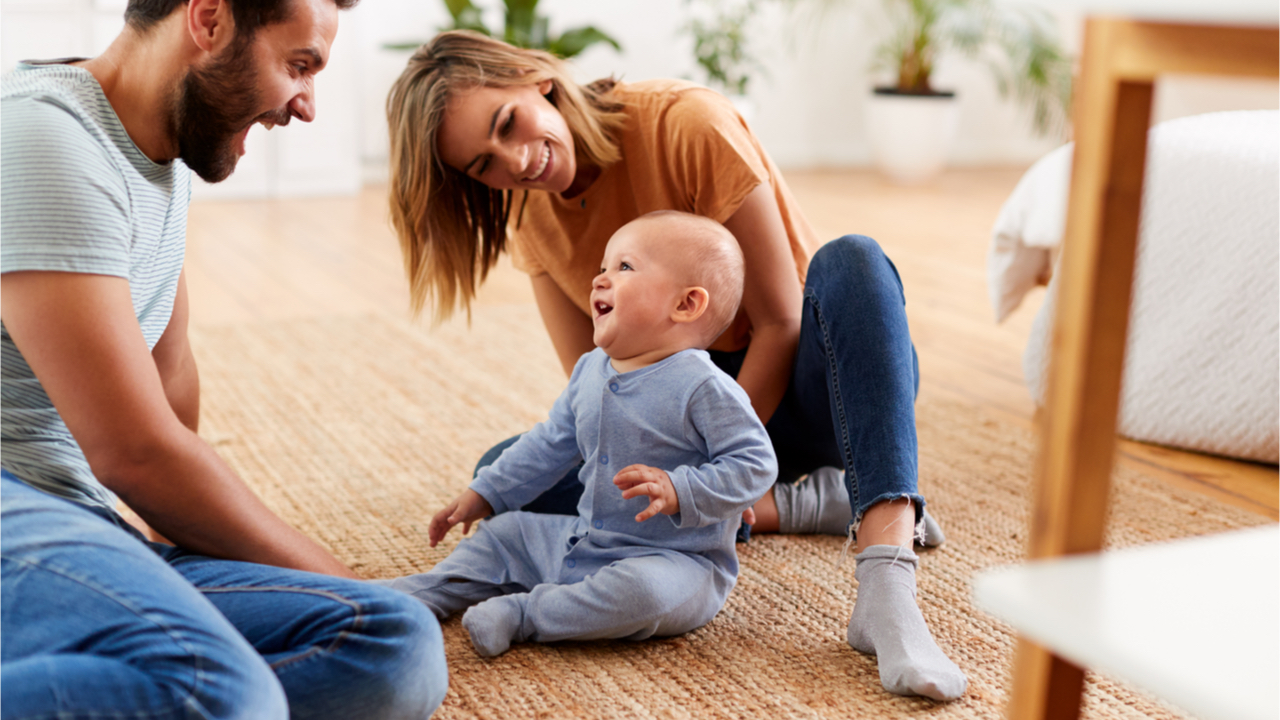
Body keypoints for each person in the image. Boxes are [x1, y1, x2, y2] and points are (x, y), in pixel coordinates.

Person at [385, 29, 967, 702]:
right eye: (483, 165)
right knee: (506, 470)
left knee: (856, 259)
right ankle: (808, 502)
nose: (515, 163)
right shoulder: (530, 216)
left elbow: (780, 320)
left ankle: (885, 579)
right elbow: (596, 386)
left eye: (507, 124)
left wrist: (712, 466)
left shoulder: (685, 122)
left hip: (817, 388)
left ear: (534, 79)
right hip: (689, 441)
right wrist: (682, 481)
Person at [0, 1, 448, 717]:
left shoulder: (153, 155)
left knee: (391, 640)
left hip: (80, 530)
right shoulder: (43, 137)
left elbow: (169, 378)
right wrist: (341, 576)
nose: (305, 105)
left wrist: (183, 550)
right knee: (216, 692)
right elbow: (136, 453)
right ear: (208, 21)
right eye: (299, 65)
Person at [378, 211, 777, 658]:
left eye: (623, 267)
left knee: (643, 596)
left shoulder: (703, 386)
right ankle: (427, 591)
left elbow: (755, 463)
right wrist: (486, 491)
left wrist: (681, 488)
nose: (599, 280)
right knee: (505, 533)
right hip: (583, 538)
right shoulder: (591, 369)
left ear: (685, 305)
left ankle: (527, 614)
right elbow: (550, 443)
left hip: (677, 561)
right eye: (603, 267)